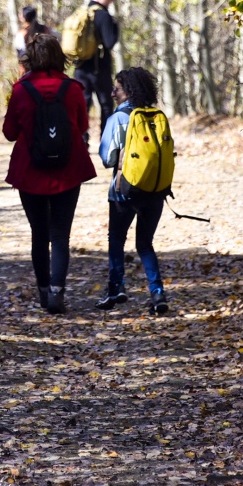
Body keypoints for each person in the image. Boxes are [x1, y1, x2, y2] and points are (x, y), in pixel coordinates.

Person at [1, 33, 95, 314]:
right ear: (58, 56)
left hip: (31, 171)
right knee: (60, 235)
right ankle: (57, 291)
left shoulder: (21, 90)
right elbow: (80, 126)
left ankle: (43, 291)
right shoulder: (73, 89)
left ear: (30, 58)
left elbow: (9, 133)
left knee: (38, 234)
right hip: (68, 169)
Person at [97, 67, 171, 314]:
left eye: (116, 89)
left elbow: (107, 158)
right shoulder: (156, 116)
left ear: (127, 91)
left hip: (124, 190)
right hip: (155, 190)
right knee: (145, 243)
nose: (112, 93)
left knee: (116, 240)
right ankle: (158, 293)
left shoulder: (118, 118)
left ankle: (115, 288)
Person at [72, 0, 121, 128]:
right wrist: (115, 26)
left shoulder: (80, 13)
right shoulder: (103, 16)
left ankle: (81, 142)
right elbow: (109, 42)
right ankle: (106, 144)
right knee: (106, 105)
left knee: (83, 105)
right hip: (100, 69)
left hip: (80, 68)